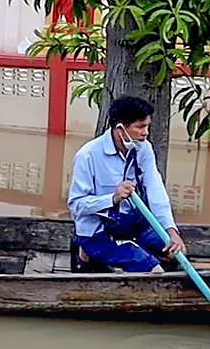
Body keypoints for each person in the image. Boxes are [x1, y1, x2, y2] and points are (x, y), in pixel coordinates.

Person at [67, 95, 186, 273]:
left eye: (147, 126)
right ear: (120, 129)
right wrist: (112, 198)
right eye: (140, 127)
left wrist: (171, 231)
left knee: (177, 254)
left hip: (130, 225)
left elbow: (156, 190)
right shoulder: (87, 156)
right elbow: (76, 205)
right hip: (97, 232)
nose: (146, 132)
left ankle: (121, 252)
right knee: (154, 270)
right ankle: (86, 252)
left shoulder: (143, 148)